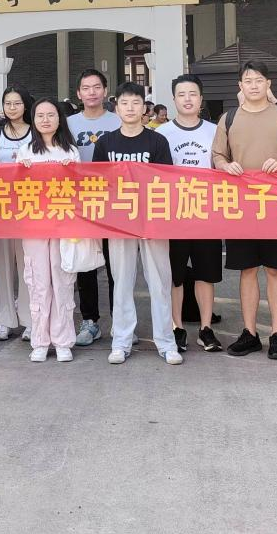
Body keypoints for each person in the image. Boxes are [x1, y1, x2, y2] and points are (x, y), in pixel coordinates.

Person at [214, 61, 277, 361]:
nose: (253, 85)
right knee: (247, 269)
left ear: (268, 84)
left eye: (259, 80)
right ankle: (250, 333)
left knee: (275, 270)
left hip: (276, 204)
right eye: (248, 80)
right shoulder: (228, 118)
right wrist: (225, 165)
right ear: (240, 86)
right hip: (241, 206)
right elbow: (217, 155)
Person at [93, 82, 181, 365]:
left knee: (160, 282)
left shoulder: (157, 142)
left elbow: (166, 182)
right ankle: (121, 341)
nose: (130, 108)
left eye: (135, 103)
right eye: (124, 103)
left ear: (144, 108)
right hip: (119, 223)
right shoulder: (105, 143)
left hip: (153, 222)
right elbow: (98, 184)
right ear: (116, 108)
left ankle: (166, 342)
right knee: (121, 283)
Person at [157, 74, 223, 352]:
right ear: (174, 99)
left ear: (201, 99)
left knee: (206, 273)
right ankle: (177, 327)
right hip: (174, 215)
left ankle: (206, 328)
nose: (187, 99)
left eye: (193, 94)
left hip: (207, 213)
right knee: (175, 275)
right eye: (182, 94)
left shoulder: (215, 131)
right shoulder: (161, 134)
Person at [16, 99, 81, 361]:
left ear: (59, 118)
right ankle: (40, 341)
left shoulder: (70, 151)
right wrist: (21, 172)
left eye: (51, 115)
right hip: (34, 224)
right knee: (38, 281)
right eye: (40, 115)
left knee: (62, 279)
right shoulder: (25, 151)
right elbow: (14, 189)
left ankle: (63, 340)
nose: (45, 120)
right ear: (33, 120)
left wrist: (70, 172)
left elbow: (79, 189)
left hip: (64, 223)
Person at [66, 68, 122, 347]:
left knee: (116, 266)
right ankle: (90, 321)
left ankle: (120, 322)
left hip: (114, 202)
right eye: (86, 88)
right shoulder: (67, 124)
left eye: (96, 87)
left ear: (105, 91)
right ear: (78, 93)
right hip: (80, 202)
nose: (91, 92)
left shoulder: (119, 120)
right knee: (85, 264)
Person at [0, 86, 33, 341]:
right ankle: (4, 319)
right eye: (8, 103)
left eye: (17, 103)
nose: (12, 108)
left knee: (27, 265)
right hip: (1, 208)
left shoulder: (36, 132)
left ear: (26, 105)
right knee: (2, 266)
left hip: (29, 208)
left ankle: (29, 318)